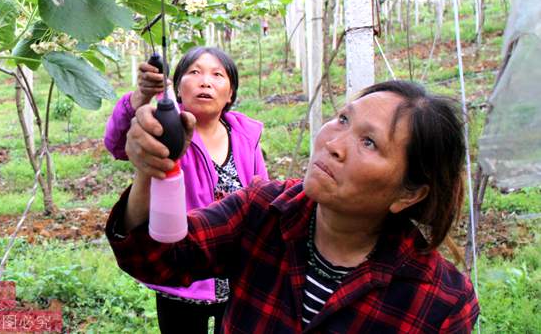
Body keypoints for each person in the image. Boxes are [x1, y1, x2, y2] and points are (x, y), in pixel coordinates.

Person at [106, 80, 479, 333]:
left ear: (408, 194)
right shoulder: (262, 210)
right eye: (343, 119)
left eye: (369, 143)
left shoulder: (440, 303)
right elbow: (153, 258)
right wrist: (150, 170)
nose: (334, 142)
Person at [103, 46, 269, 333]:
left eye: (218, 75)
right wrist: (140, 97)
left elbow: (261, 194)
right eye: (194, 72)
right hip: (181, 277)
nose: (205, 81)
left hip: (236, 275)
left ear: (230, 93)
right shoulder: (168, 127)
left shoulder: (245, 136)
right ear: (177, 88)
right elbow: (118, 144)